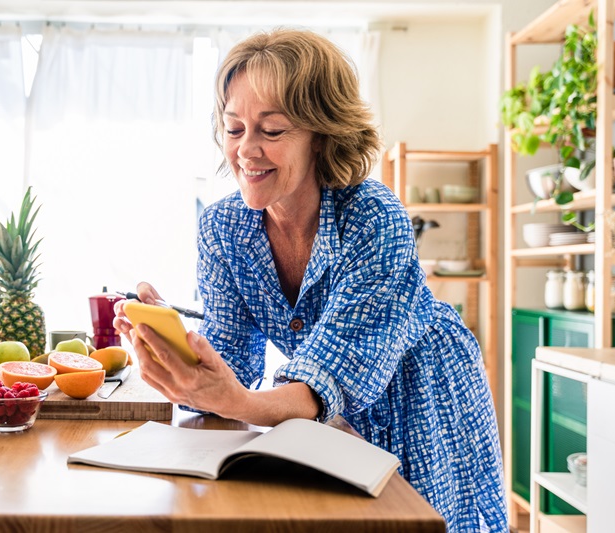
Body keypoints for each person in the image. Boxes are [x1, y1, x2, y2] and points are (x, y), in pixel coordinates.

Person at [114, 29, 507, 533]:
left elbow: (326, 382)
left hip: (427, 393)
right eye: (234, 129)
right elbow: (231, 364)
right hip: (328, 415)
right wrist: (175, 348)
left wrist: (238, 401)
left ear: (323, 133)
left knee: (424, 524)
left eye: (271, 131)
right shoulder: (222, 228)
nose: (246, 151)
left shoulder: (374, 218)